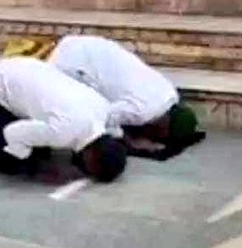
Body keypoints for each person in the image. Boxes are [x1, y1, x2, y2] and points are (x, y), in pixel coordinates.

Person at [0, 57, 128, 183]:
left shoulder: (103, 112)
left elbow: (118, 132)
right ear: (92, 158)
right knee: (8, 161)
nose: (85, 172)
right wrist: (24, 158)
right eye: (91, 170)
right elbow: (12, 133)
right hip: (0, 82)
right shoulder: (62, 133)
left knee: (40, 150)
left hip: (27, 68)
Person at [48, 35, 205, 159]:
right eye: (162, 138)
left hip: (89, 45)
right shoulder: (142, 112)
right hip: (70, 65)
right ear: (164, 128)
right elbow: (101, 116)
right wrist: (130, 141)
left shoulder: (169, 92)